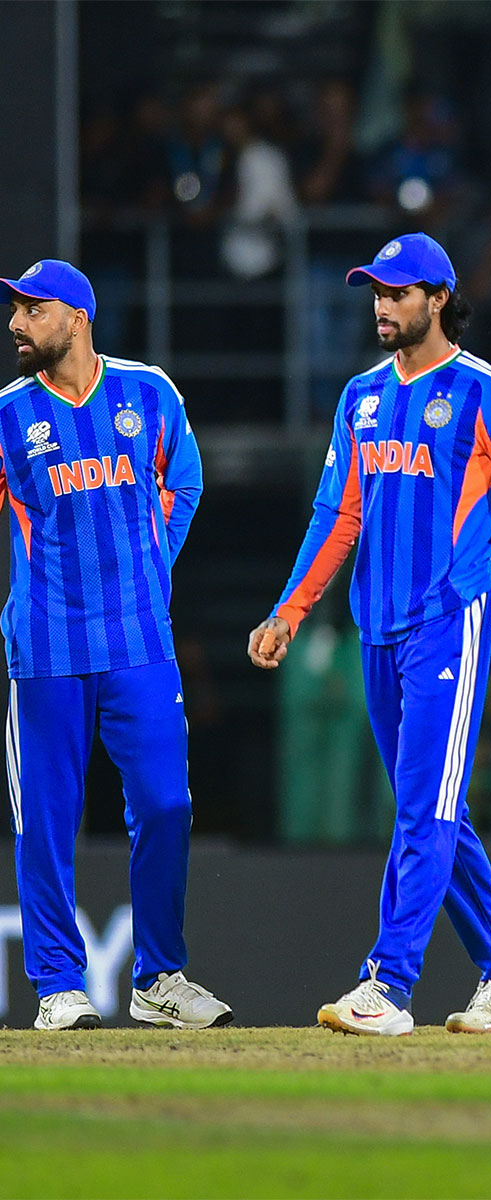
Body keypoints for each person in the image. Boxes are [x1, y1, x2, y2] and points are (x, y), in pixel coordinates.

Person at [249, 233, 491, 1036]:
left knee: (422, 810)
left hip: (448, 618)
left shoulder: (488, 393)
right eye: (376, 291)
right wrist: (289, 610)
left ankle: (389, 984)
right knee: (429, 804)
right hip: (376, 628)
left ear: (439, 299)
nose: (382, 305)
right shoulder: (361, 396)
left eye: (398, 292)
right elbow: (338, 514)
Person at [2, 259, 231, 1031]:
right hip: (47, 647)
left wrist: (149, 573)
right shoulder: (8, 415)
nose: (16, 324)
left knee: (167, 805)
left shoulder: (148, 392)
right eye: (16, 311)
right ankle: (57, 986)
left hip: (139, 640)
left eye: (32, 310)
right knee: (46, 819)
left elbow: (186, 482)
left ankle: (159, 978)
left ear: (77, 318)